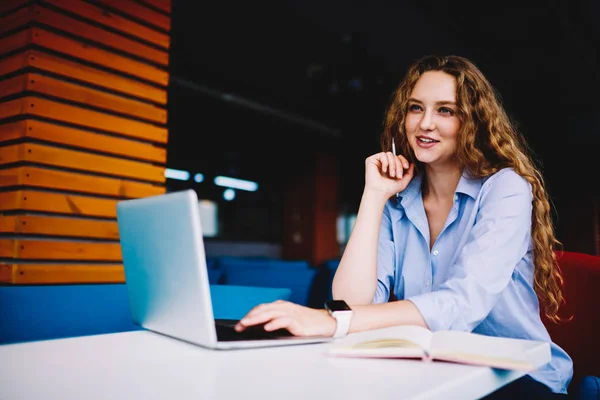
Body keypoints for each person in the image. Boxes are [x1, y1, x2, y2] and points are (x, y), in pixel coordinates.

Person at [234, 55, 573, 398]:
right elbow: (349, 301)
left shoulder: (506, 188)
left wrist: (332, 321)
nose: (425, 123)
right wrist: (374, 196)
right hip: (432, 373)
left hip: (515, 377)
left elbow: (462, 303)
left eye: (445, 110)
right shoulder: (398, 200)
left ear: (473, 121)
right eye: (415, 108)